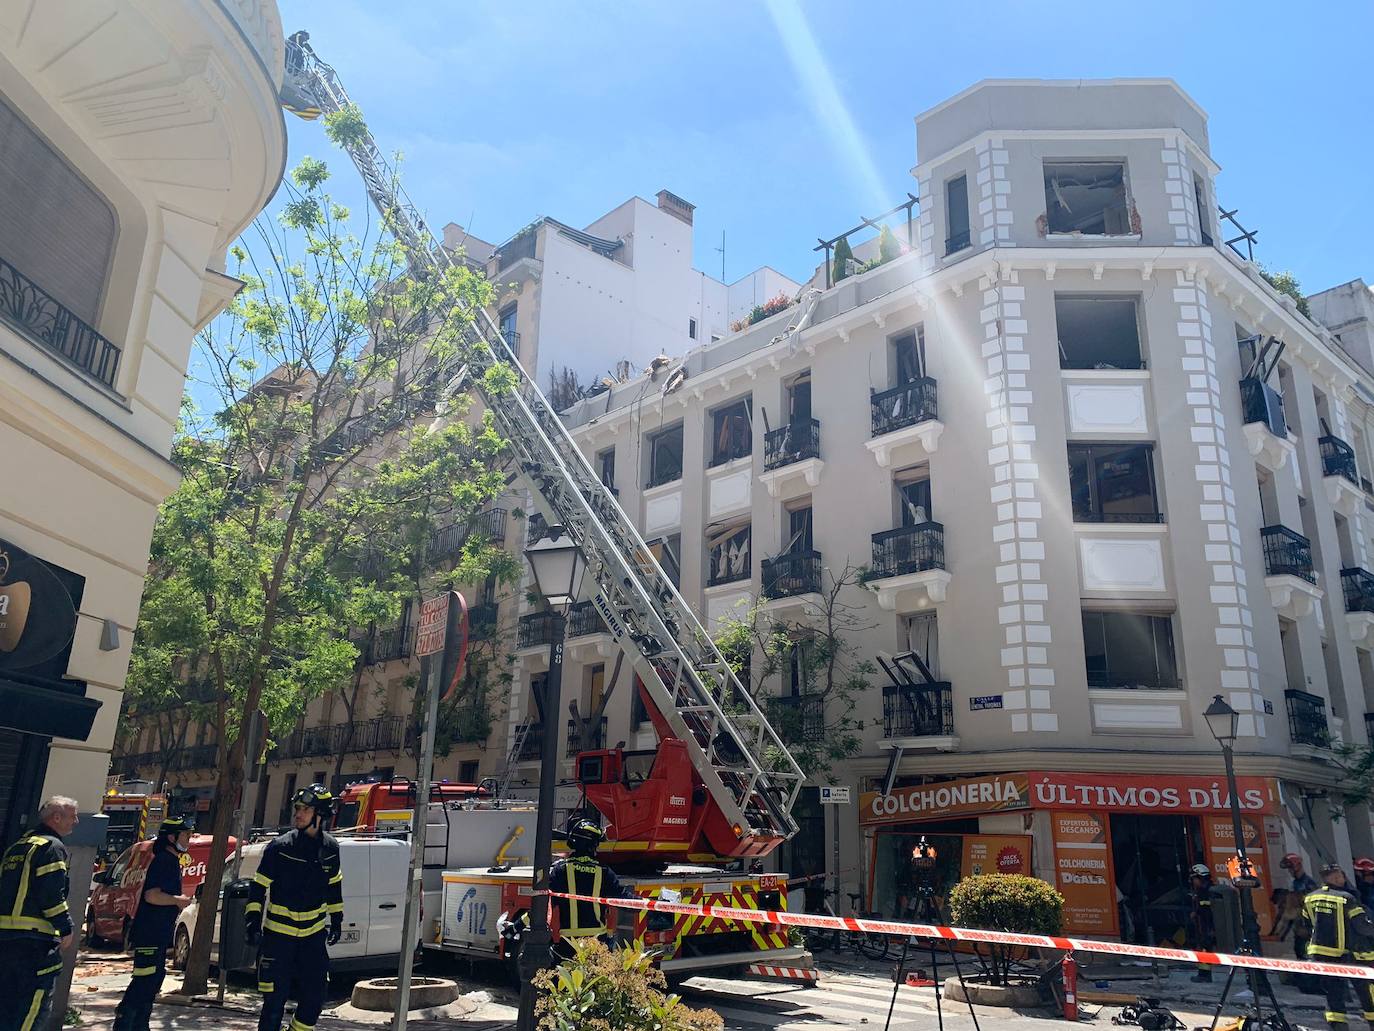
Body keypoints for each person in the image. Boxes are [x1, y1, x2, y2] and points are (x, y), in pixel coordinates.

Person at [246, 785, 343, 1031]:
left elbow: (334, 887)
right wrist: (252, 922)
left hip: (312, 939)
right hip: (279, 939)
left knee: (314, 999)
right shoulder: (279, 848)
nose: (298, 814)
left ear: (320, 814)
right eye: (297, 808)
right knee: (273, 1006)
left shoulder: (331, 850)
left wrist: (338, 920)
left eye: (305, 809)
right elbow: (258, 887)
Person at [0, 796, 78, 1031]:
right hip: (34, 945)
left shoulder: (17, 847)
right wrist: (65, 927)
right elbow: (51, 893)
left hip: (6, 942)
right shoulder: (51, 848)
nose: (76, 821)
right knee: (32, 1009)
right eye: (72, 816)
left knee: (6, 1008)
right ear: (56, 817)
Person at [112, 818, 195, 1031]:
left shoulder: (169, 860)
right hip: (150, 931)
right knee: (145, 980)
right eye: (185, 835)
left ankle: (140, 1024)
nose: (188, 839)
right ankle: (125, 1021)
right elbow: (152, 895)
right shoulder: (164, 861)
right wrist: (178, 900)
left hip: (156, 932)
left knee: (154, 978)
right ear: (171, 837)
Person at [1303, 862, 1374, 1029]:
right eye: (1341, 875)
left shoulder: (1310, 898)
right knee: (1366, 991)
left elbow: (1307, 924)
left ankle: (1338, 1025)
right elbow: (1362, 926)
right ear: (1336, 877)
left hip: (1321, 953)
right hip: (1349, 953)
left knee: (1334, 993)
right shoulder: (1346, 898)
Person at [548, 818, 630, 956]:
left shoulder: (560, 870)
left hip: (568, 945)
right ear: (593, 846)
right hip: (597, 945)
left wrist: (516, 926)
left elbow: (542, 904)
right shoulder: (604, 872)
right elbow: (625, 900)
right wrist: (656, 904)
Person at [1283, 852, 1322, 993]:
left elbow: (1309, 907)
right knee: (1300, 953)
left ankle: (1312, 985)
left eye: (1290, 868)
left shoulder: (1308, 884)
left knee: (1307, 955)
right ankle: (1305, 983)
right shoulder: (1296, 883)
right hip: (1299, 927)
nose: (1290, 872)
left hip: (1307, 928)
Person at [1187, 863, 1216, 983]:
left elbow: (1206, 910)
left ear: (1199, 877)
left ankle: (1204, 975)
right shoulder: (1209, 889)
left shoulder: (1205, 891)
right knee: (1205, 949)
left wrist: (1196, 912)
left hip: (1208, 926)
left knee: (1205, 949)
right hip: (1209, 926)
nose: (1193, 882)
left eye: (1194, 879)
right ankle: (1204, 974)